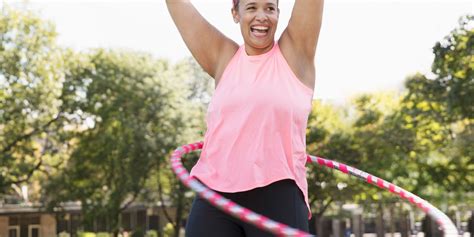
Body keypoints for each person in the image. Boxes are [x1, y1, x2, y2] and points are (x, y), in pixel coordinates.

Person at [166, 0, 324, 236]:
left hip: (277, 193)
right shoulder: (223, 56)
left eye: (269, 8)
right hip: (214, 194)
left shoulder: (295, 54)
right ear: (235, 14)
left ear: (278, 14)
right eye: (251, 7)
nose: (262, 16)